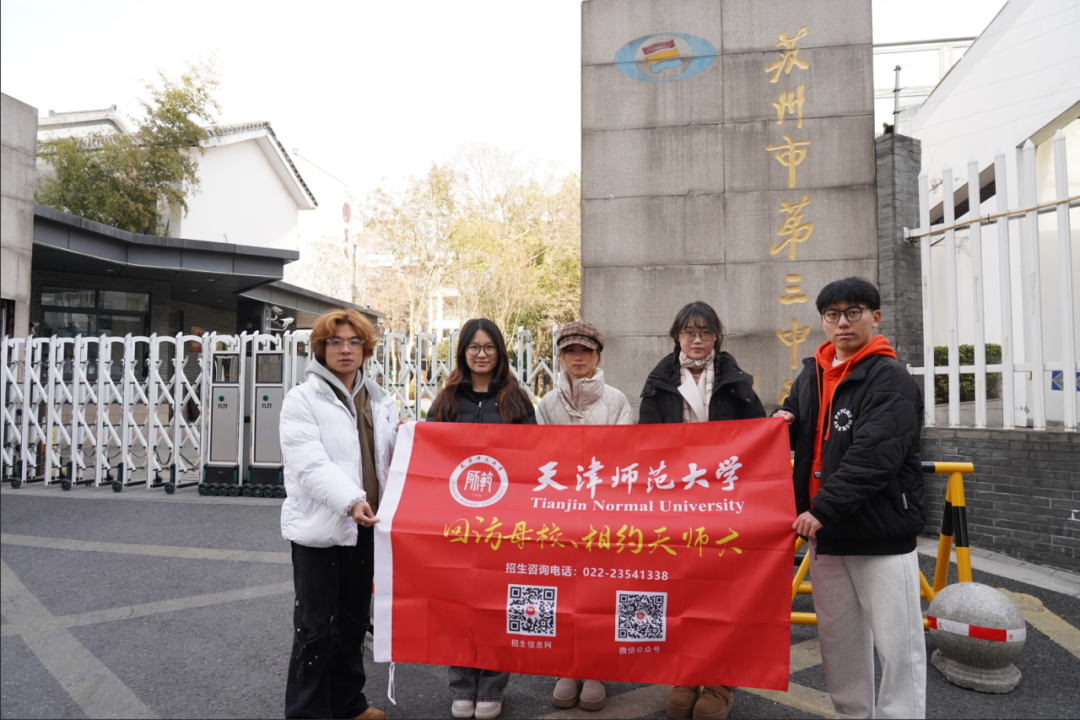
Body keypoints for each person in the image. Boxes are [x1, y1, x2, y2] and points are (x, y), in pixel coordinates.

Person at [774, 277, 926, 719]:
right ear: (822, 321)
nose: (842, 322)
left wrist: (822, 508)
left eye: (853, 312)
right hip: (826, 535)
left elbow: (874, 456)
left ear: (875, 318)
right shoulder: (812, 374)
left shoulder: (891, 379)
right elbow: (798, 421)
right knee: (839, 644)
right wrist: (782, 420)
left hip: (879, 536)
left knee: (899, 648)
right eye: (832, 314)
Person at [638, 301, 765, 720]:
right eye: (689, 332)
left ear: (716, 337)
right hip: (676, 504)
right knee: (683, 590)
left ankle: (721, 680)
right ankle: (688, 673)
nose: (697, 340)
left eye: (705, 332)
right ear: (676, 336)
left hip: (726, 504)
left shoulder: (736, 382)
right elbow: (645, 448)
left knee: (724, 592)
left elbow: (759, 438)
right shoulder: (658, 383)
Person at [279, 309, 399, 720]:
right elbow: (309, 464)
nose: (345, 350)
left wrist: (411, 436)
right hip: (320, 531)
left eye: (354, 342)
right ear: (320, 348)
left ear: (366, 349)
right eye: (335, 342)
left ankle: (348, 706)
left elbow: (389, 460)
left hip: (366, 529)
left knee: (351, 623)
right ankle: (306, 713)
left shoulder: (380, 400)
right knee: (315, 627)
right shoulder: (302, 399)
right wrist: (351, 501)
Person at [427, 318, 536, 720]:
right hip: (455, 524)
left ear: (500, 352)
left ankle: (491, 686)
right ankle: (461, 686)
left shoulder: (517, 401)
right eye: (473, 347)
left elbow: (533, 459)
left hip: (502, 524)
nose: (481, 354)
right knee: (457, 604)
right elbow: (427, 455)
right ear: (463, 352)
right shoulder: (446, 400)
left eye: (489, 346)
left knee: (495, 604)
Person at [536, 321, 631, 711]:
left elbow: (624, 456)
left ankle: (595, 668)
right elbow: (539, 457)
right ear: (561, 356)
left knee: (599, 591)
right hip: (559, 514)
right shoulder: (546, 404)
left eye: (586, 351)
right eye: (571, 351)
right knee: (562, 590)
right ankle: (566, 666)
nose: (578, 358)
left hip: (604, 513)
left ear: (597, 356)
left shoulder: (617, 401)